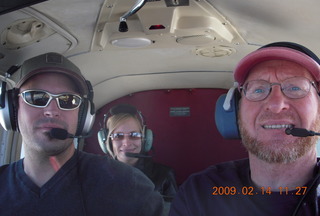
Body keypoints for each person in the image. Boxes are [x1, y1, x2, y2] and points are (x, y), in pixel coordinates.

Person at [0, 53, 164, 216]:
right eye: (36, 97)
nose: (51, 111)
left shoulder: (130, 187)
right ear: (12, 108)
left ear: (83, 115)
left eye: (68, 100)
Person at [169, 42, 320, 216]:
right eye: (258, 89)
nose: (275, 104)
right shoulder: (199, 194)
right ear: (236, 112)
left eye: (295, 87)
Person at [98, 104, 178, 214]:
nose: (126, 143)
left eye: (134, 135)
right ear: (107, 141)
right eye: (118, 136)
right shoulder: (96, 175)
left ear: (145, 139)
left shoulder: (164, 176)